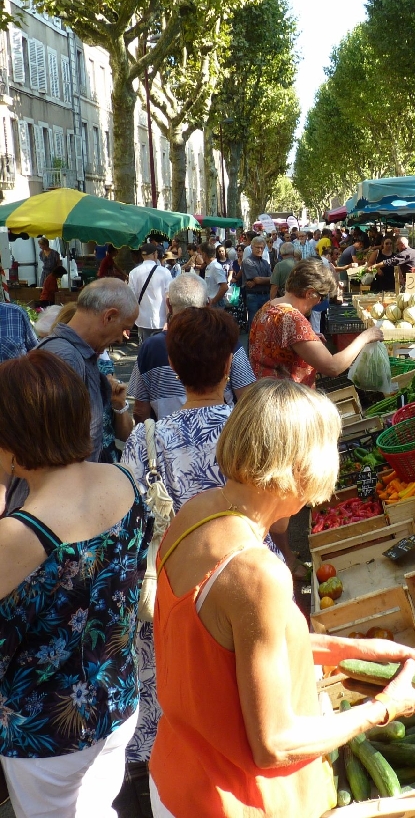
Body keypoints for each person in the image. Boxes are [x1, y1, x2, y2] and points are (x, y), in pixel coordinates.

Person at [148, 380, 415, 817]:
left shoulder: (196, 512)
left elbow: (226, 646)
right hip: (238, 801)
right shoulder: (257, 573)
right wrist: (384, 708)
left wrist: (352, 650)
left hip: (179, 776)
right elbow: (275, 744)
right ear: (299, 468)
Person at [122, 306, 281, 770]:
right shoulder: (251, 430)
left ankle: (178, 777)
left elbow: (136, 526)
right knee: (249, 695)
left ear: (172, 367)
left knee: (184, 699)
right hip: (249, 580)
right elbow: (282, 519)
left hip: (175, 588)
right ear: (230, 364)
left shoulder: (144, 440)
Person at [0, 351, 149, 817]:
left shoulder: (19, 535)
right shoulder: (122, 479)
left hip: (46, 732)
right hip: (118, 699)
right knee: (99, 806)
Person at [127, 273, 256, 421]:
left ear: (168, 304)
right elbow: (247, 399)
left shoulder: (150, 347)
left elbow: (140, 411)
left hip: (165, 437)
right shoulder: (227, 340)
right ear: (208, 304)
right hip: (224, 436)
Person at [37, 278, 138, 464]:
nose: (121, 340)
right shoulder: (65, 358)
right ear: (109, 317)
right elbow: (53, 448)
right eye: (124, 329)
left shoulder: (74, 355)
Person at [250, 259, 383, 386]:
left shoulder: (267, 307)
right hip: (285, 400)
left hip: (265, 393)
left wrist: (308, 340)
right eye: (321, 296)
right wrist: (365, 337)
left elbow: (277, 348)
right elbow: (333, 367)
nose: (320, 301)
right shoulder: (293, 319)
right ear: (310, 293)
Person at [129, 241, 172, 342]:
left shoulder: (133, 273)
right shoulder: (165, 272)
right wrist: (168, 319)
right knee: (161, 349)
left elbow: (130, 298)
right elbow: (168, 297)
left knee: (145, 348)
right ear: (154, 254)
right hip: (161, 319)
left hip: (142, 319)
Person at [242, 236, 273, 327]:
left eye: (261, 248)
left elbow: (271, 279)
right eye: (257, 247)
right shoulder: (247, 261)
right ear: (252, 247)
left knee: (265, 325)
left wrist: (258, 281)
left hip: (266, 295)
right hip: (253, 296)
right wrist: (259, 280)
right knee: (254, 324)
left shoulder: (265, 263)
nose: (259, 250)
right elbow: (258, 280)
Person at [200, 242, 228, 308]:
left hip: (216, 305)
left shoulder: (216, 267)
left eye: (201, 254)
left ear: (204, 254)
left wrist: (213, 301)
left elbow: (224, 287)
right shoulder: (209, 266)